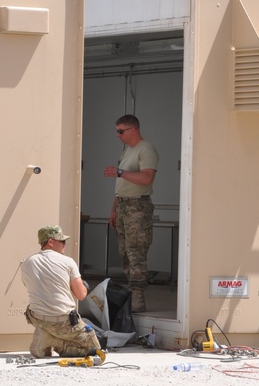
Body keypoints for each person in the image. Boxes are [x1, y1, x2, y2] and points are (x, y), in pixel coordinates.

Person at [103, 114, 158, 313]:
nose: (117, 135)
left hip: (137, 208)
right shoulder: (128, 151)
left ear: (133, 130)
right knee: (125, 253)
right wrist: (114, 209)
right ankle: (132, 293)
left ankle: (137, 298)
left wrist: (119, 172)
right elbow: (122, 186)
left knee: (136, 252)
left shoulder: (146, 149)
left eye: (121, 131)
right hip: (124, 206)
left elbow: (146, 178)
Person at [20, 225, 101, 358]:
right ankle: (53, 341)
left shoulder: (27, 262)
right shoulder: (67, 262)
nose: (65, 244)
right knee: (94, 349)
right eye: (62, 241)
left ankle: (45, 338)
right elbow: (81, 295)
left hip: (36, 318)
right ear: (51, 242)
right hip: (63, 322)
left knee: (40, 312)